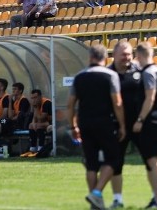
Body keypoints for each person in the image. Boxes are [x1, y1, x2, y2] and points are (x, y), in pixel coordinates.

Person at [67, 44, 126, 210]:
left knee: (91, 163)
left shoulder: (79, 76)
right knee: (113, 159)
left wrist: (73, 126)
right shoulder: (111, 75)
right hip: (104, 122)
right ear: (105, 58)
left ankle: (95, 203)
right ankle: (97, 193)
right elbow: (118, 103)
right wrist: (122, 125)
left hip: (85, 122)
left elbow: (70, 104)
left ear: (90, 57)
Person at [109, 42, 157, 210]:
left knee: (151, 161)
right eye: (123, 54)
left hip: (141, 124)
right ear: (114, 55)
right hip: (119, 125)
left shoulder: (139, 70)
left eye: (128, 54)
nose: (126, 57)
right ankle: (117, 199)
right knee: (116, 162)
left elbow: (152, 95)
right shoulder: (109, 73)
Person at [21, 88, 52, 157]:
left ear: (40, 97)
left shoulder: (46, 103)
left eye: (35, 97)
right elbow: (35, 118)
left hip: (52, 123)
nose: (34, 100)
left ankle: (40, 148)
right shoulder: (36, 105)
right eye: (32, 98)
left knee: (38, 126)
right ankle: (32, 149)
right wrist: (33, 124)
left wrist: (36, 108)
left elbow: (41, 118)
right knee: (31, 125)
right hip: (44, 123)